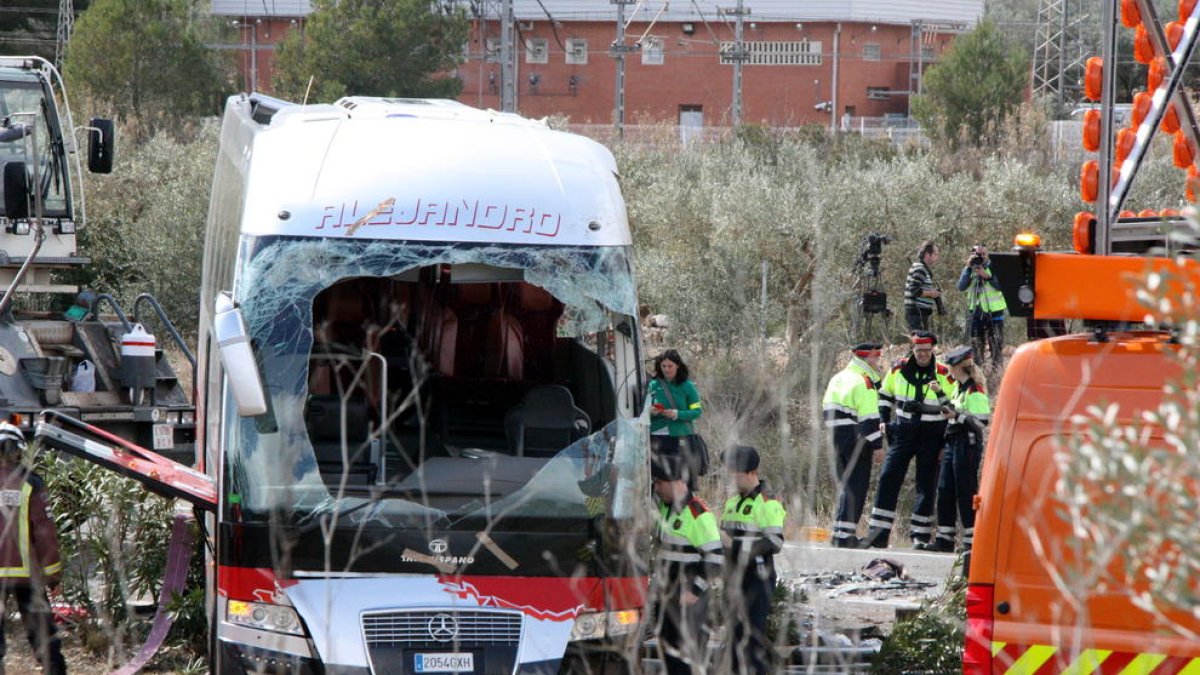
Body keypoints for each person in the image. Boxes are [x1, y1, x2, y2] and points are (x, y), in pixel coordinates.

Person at [861, 331, 954, 549]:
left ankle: (919, 537)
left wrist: (945, 443)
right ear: (912, 349)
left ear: (933, 350)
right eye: (919, 350)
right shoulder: (898, 369)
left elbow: (952, 407)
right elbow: (884, 396)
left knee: (926, 484)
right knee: (888, 477)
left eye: (927, 351)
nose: (923, 355)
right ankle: (878, 534)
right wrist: (883, 420)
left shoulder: (943, 373)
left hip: (932, 435)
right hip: (903, 431)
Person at [0, 422, 66, 675]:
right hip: (28, 578)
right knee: (44, 640)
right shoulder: (32, 484)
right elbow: (45, 533)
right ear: (18, 450)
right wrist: (53, 576)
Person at [651, 454, 722, 675]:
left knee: (687, 664)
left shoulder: (697, 514)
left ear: (676, 482)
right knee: (671, 662)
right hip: (668, 598)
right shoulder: (665, 509)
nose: (656, 488)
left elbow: (715, 558)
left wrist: (694, 591)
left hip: (690, 604)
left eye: (660, 483)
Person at [719, 445, 786, 675]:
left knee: (751, 643)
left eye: (734, 473)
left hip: (757, 579)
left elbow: (774, 543)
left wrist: (734, 544)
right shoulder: (732, 502)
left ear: (750, 472)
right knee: (734, 642)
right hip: (734, 579)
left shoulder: (767, 502)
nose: (731, 478)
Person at [919, 346, 991, 553]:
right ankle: (944, 539)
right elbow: (952, 408)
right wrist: (939, 394)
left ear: (959, 367)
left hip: (966, 444)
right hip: (953, 442)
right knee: (945, 490)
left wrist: (957, 416)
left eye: (951, 367)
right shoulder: (959, 388)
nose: (948, 371)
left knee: (965, 492)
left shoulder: (974, 390)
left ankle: (971, 542)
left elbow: (981, 422)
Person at [821, 343, 884, 548]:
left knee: (845, 485)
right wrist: (877, 445)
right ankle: (846, 536)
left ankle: (839, 533)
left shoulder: (838, 378)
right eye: (876, 358)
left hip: (836, 435)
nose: (878, 362)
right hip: (856, 437)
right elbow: (869, 418)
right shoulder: (864, 382)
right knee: (856, 485)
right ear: (868, 359)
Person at [649, 349, 706, 488]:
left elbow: (697, 411)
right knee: (659, 478)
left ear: (678, 366)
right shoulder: (653, 385)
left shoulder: (688, 386)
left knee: (682, 477)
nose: (666, 370)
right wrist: (650, 411)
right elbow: (643, 410)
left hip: (680, 437)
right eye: (663, 366)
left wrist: (676, 414)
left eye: (670, 366)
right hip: (656, 438)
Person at [957, 245, 1007, 368]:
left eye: (983, 254)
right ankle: (978, 371)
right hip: (975, 310)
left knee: (995, 343)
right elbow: (961, 287)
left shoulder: (994, 267)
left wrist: (987, 277)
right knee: (977, 344)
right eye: (978, 255)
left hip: (994, 311)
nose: (981, 257)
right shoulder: (969, 269)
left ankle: (997, 371)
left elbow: (1002, 286)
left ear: (987, 254)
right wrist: (968, 268)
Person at [903, 240, 944, 332]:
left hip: (920, 312)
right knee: (921, 342)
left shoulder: (922, 268)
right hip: (916, 312)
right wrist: (931, 293)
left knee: (923, 342)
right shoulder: (920, 269)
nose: (937, 257)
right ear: (927, 254)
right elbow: (914, 290)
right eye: (935, 254)